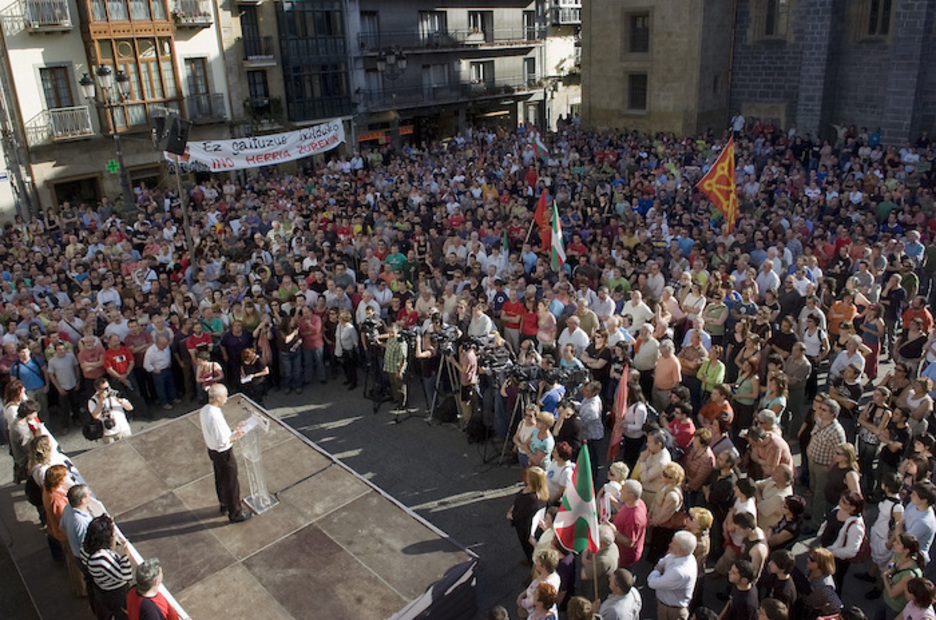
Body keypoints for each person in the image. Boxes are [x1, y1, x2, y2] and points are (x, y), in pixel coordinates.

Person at [199, 384, 251, 523]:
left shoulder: (205, 410)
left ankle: (224, 504)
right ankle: (235, 513)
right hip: (224, 453)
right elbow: (222, 441)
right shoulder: (214, 415)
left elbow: (218, 432)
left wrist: (233, 429)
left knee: (220, 479)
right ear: (218, 398)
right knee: (231, 483)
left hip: (213, 451)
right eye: (225, 396)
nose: (226, 399)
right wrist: (236, 436)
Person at [81, 514, 133, 620]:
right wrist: (125, 555)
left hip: (102, 588)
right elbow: (125, 574)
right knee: (122, 615)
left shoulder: (85, 549)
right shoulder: (102, 558)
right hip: (116, 593)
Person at [816, 490, 866, 592]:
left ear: (853, 508)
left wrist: (830, 552)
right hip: (825, 551)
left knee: (834, 583)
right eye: (841, 499)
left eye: (844, 502)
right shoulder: (837, 509)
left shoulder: (855, 526)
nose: (840, 502)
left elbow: (851, 551)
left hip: (837, 560)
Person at [647, 530, 698, 620]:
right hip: (667, 606)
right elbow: (663, 561)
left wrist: (657, 571)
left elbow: (652, 582)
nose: (670, 544)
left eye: (674, 543)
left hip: (672, 611)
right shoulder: (680, 555)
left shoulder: (679, 572)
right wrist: (659, 567)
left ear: (683, 549)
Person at [508, 466, 549, 563]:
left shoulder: (531, 499)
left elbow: (519, 514)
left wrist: (511, 515)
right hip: (531, 527)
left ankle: (533, 567)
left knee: (529, 549)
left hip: (526, 528)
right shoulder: (541, 493)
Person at [59, 483, 92, 599]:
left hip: (74, 550)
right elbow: (86, 545)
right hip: (83, 557)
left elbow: (61, 526)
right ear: (83, 500)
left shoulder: (68, 508)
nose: (90, 494)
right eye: (88, 494)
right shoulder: (81, 522)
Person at [612, 479, 647, 568]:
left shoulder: (635, 518)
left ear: (630, 496)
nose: (620, 491)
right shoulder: (637, 503)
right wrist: (612, 500)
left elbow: (629, 542)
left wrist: (613, 532)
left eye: (623, 489)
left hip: (624, 556)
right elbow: (623, 510)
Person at [88, 377, 133, 443]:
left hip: (123, 429)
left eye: (108, 387)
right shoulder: (93, 401)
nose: (108, 390)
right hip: (108, 434)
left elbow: (130, 408)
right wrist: (101, 400)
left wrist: (119, 400)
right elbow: (96, 416)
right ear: (98, 390)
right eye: (105, 389)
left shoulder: (115, 394)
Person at [804, 547, 842, 619]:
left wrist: (824, 609)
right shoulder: (810, 569)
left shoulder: (826, 586)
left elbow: (838, 607)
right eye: (809, 557)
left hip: (808, 608)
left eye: (812, 560)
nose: (808, 560)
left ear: (821, 564)